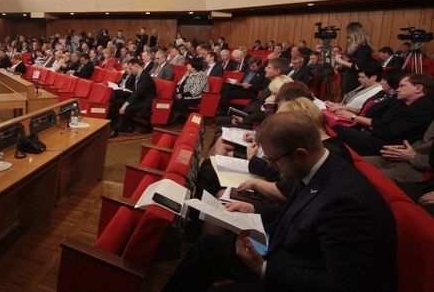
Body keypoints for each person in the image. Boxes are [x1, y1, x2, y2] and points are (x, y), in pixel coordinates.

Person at [163, 112, 397, 292]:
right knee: (210, 245)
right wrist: (253, 208)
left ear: (300, 154)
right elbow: (296, 212)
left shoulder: (347, 204)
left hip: (293, 274)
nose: (274, 168)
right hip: (284, 250)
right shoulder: (316, 168)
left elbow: (342, 285)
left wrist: (262, 268)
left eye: (274, 161)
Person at [334, 73, 434, 155]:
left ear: (418, 88)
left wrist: (355, 118)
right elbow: (382, 120)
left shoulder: (424, 108)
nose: (398, 89)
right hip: (378, 136)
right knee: (337, 130)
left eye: (402, 86)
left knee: (338, 130)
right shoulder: (400, 100)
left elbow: (389, 131)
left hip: (391, 147)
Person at [111, 59, 156, 137]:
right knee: (118, 103)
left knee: (125, 107)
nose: (130, 71)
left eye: (131, 68)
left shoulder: (145, 77)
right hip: (139, 99)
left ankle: (118, 129)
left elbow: (137, 93)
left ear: (136, 66)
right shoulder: (136, 76)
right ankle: (120, 127)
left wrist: (125, 105)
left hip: (145, 103)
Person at [334, 22, 373, 93]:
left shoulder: (364, 48)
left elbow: (358, 66)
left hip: (356, 80)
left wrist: (341, 61)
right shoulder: (357, 48)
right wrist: (345, 59)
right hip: (350, 78)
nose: (348, 39)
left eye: (349, 37)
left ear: (354, 35)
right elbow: (353, 61)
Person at [170, 58, 207, 123]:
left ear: (194, 67)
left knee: (178, 102)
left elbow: (196, 91)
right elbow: (179, 84)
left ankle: (181, 118)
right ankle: (173, 117)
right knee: (171, 98)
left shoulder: (201, 75)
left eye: (189, 64)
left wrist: (182, 94)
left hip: (193, 97)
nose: (187, 65)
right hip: (182, 94)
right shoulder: (188, 72)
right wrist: (178, 92)